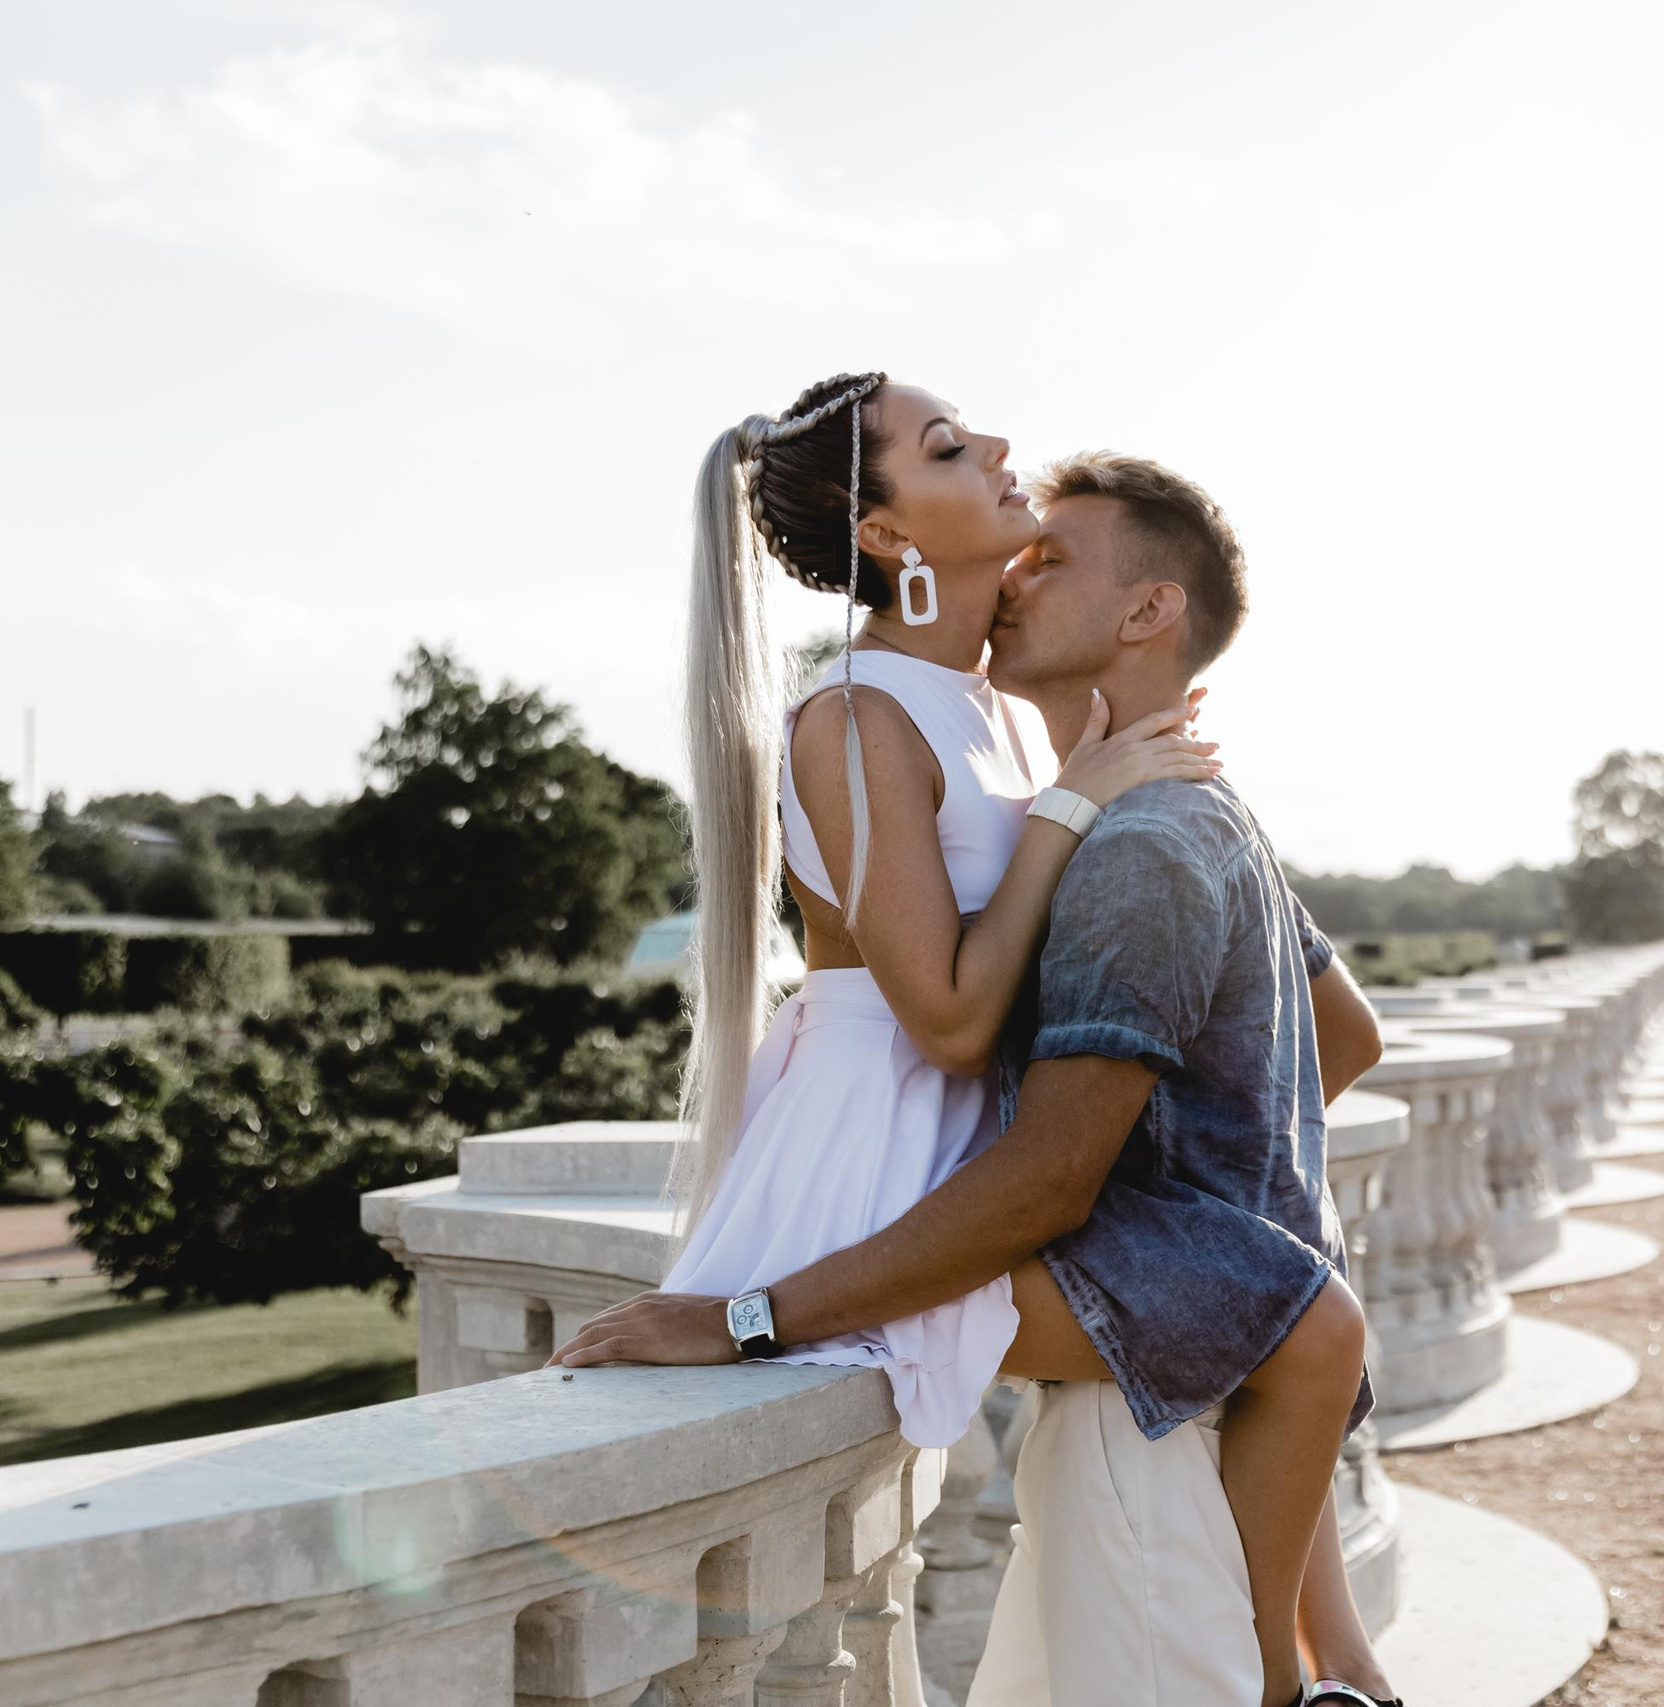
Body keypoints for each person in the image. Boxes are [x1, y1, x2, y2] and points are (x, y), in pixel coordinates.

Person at [551, 376, 1400, 1707]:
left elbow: (1313, 1038)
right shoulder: (853, 717)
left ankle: (1323, 1665)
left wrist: (1147, 1183)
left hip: (978, 1153)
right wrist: (1074, 800)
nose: (1000, 447)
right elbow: (946, 1020)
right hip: (885, 1145)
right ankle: (1308, 1678)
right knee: (1293, 1316)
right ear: (887, 538)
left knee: (1275, 1304)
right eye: (947, 447)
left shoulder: (1011, 716)